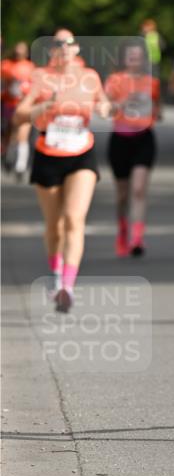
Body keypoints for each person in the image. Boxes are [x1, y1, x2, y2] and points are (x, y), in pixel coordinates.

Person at [14, 29, 111, 313]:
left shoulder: (89, 77)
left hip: (81, 153)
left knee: (73, 218)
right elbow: (21, 113)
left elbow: (102, 101)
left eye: (69, 43)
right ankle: (56, 277)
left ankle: (67, 286)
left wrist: (106, 108)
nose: (64, 48)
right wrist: (46, 103)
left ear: (77, 48)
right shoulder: (41, 76)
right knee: (54, 224)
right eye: (57, 44)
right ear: (52, 50)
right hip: (48, 154)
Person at [104, 41, 161, 257]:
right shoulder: (115, 81)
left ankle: (137, 239)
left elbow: (158, 107)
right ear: (124, 59)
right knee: (122, 195)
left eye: (138, 57)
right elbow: (106, 108)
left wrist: (151, 112)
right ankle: (122, 231)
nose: (135, 61)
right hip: (120, 140)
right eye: (131, 57)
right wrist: (123, 104)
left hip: (144, 140)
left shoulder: (152, 83)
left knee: (138, 190)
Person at [1, 41, 35, 179]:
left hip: (25, 106)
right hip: (9, 105)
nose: (19, 52)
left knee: (23, 135)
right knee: (9, 135)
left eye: (22, 50)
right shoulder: (6, 66)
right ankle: (7, 157)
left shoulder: (31, 68)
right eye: (17, 50)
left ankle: (20, 167)